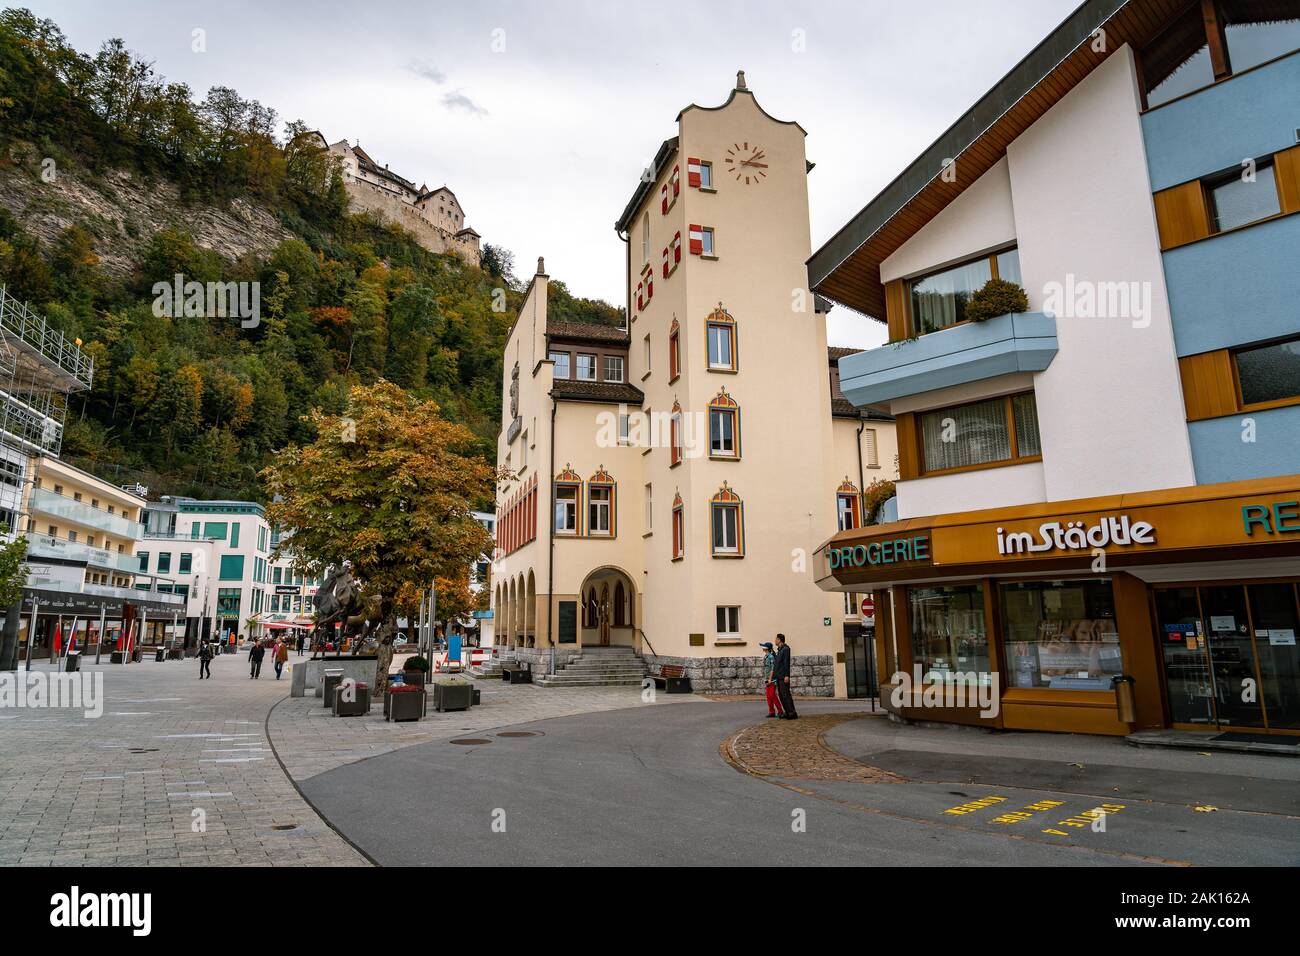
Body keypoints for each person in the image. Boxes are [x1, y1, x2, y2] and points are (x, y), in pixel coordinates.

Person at [772, 633, 798, 720]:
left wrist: (787, 675)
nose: (775, 640)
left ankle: (792, 713)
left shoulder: (786, 649)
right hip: (779, 676)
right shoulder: (780, 650)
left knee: (786, 695)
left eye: (776, 639)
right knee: (781, 695)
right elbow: (778, 662)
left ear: (779, 640)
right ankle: (787, 712)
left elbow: (786, 663)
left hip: (783, 676)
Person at [759, 641, 783, 718]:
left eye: (764, 647)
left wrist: (770, 678)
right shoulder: (766, 656)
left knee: (772, 695)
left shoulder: (771, 657)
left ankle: (780, 711)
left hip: (772, 679)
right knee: (768, 696)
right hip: (767, 679)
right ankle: (771, 711)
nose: (762, 648)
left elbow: (773, 668)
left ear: (767, 648)